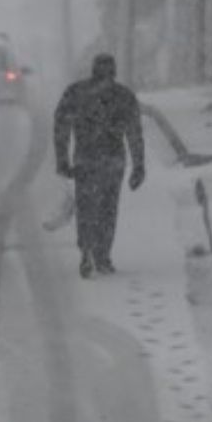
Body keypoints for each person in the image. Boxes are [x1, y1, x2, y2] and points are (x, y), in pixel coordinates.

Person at [53, 54, 145, 278]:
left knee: (86, 208)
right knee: (108, 208)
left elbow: (61, 127)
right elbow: (134, 133)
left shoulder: (75, 93)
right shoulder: (124, 96)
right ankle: (102, 255)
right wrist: (138, 165)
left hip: (86, 159)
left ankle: (86, 250)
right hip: (113, 161)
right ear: (114, 72)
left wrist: (62, 159)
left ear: (93, 70)